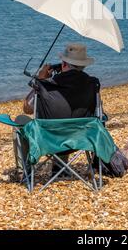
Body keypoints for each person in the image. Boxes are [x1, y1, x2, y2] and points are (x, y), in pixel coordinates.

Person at [13, 43, 99, 177]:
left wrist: (40, 80)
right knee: (67, 118)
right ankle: (59, 169)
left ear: (64, 64)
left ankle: (24, 171)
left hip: (48, 139)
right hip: (80, 139)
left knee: (19, 120)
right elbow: (97, 114)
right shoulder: (92, 84)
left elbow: (27, 109)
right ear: (84, 65)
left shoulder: (48, 85)